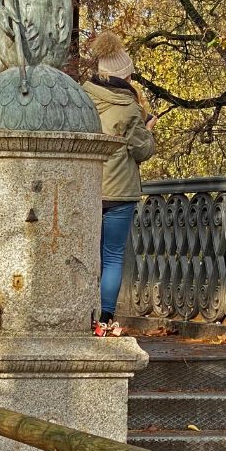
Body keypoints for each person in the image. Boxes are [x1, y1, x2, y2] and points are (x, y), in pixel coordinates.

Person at [81, 33, 156, 337]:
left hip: (85, 188)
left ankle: (78, 313)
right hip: (119, 191)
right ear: (124, 75)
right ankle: (105, 318)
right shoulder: (129, 109)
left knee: (85, 253)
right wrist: (149, 130)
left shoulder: (81, 99)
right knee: (111, 255)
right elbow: (142, 151)